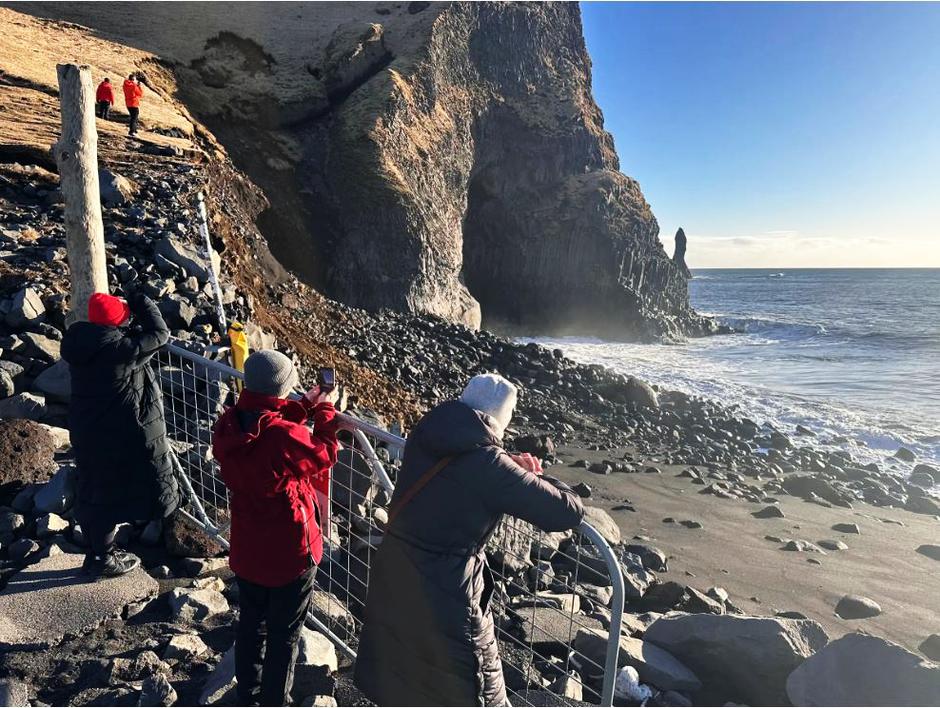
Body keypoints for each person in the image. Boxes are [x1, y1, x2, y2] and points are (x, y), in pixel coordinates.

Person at [354, 374, 585, 706]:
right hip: (449, 592)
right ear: (500, 417)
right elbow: (566, 512)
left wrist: (508, 464)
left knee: (404, 678)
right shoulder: (489, 463)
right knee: (477, 691)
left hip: (398, 571)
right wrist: (537, 476)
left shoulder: (428, 433)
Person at [213, 350, 340, 707]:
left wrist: (304, 405)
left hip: (249, 545)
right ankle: (274, 701)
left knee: (252, 624)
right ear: (281, 389)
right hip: (290, 550)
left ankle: (248, 696)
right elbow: (323, 453)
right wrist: (327, 412)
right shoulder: (282, 435)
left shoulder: (230, 424)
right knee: (285, 634)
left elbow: (267, 424)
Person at [61, 292, 180, 579]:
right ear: (117, 321)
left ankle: (98, 553)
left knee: (95, 488)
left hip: (87, 428)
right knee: (110, 493)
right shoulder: (121, 350)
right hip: (115, 433)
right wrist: (140, 300)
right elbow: (160, 333)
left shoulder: (80, 343)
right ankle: (103, 559)